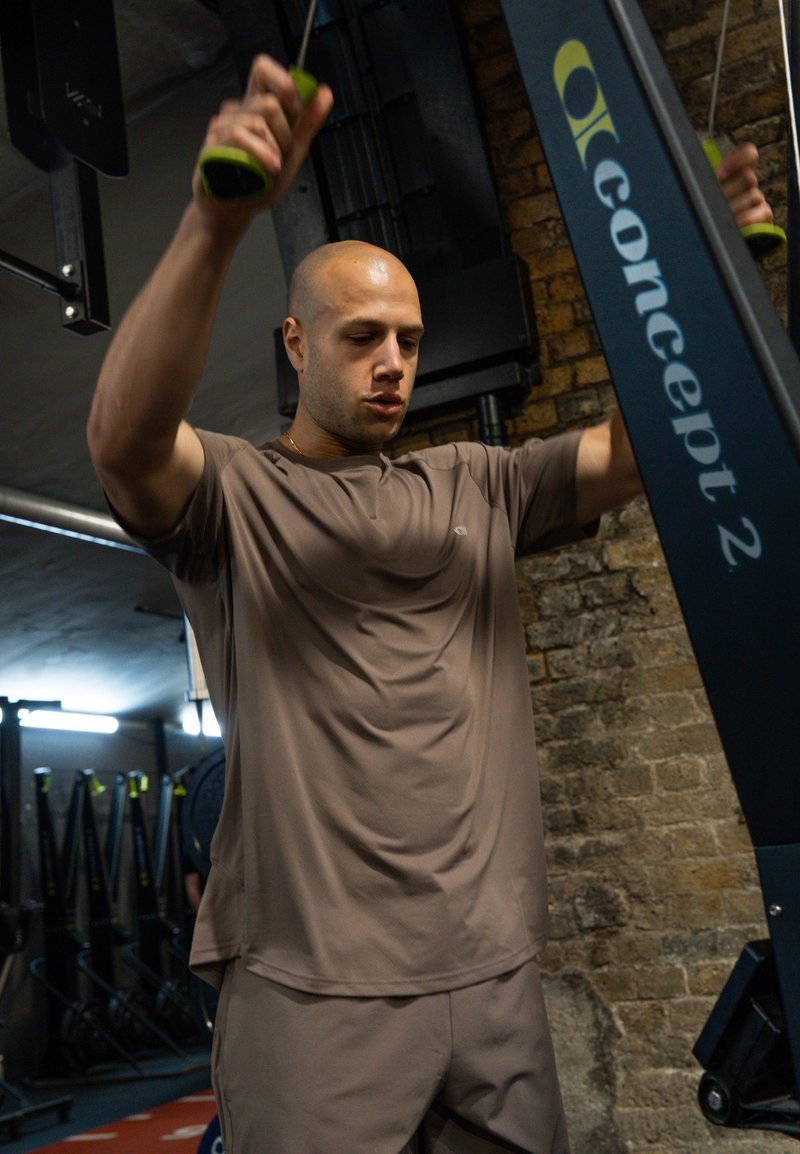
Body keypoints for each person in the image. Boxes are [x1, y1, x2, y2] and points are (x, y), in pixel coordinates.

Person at [87, 54, 775, 1154]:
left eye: (407, 338)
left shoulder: (478, 483)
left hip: (493, 982)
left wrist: (719, 279)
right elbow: (122, 440)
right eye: (362, 337)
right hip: (317, 994)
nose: (394, 362)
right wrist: (217, 223)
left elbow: (648, 438)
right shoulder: (235, 499)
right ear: (295, 343)